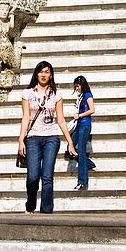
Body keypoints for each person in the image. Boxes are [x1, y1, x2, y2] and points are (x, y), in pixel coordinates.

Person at [18, 60, 76, 214]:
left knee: (47, 177)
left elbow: (61, 119)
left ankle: (46, 212)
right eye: (41, 72)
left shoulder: (56, 94)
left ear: (51, 75)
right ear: (36, 74)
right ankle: (30, 205)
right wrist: (20, 140)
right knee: (33, 177)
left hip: (51, 137)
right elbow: (25, 118)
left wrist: (69, 142)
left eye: (47, 72)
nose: (44, 75)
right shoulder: (27, 93)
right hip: (33, 138)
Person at [71, 75, 96, 190]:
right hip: (79, 125)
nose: (76, 89)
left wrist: (79, 115)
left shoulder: (87, 95)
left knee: (80, 151)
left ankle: (82, 181)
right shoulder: (81, 96)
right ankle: (89, 164)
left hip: (85, 125)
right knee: (70, 147)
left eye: (77, 86)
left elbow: (92, 110)